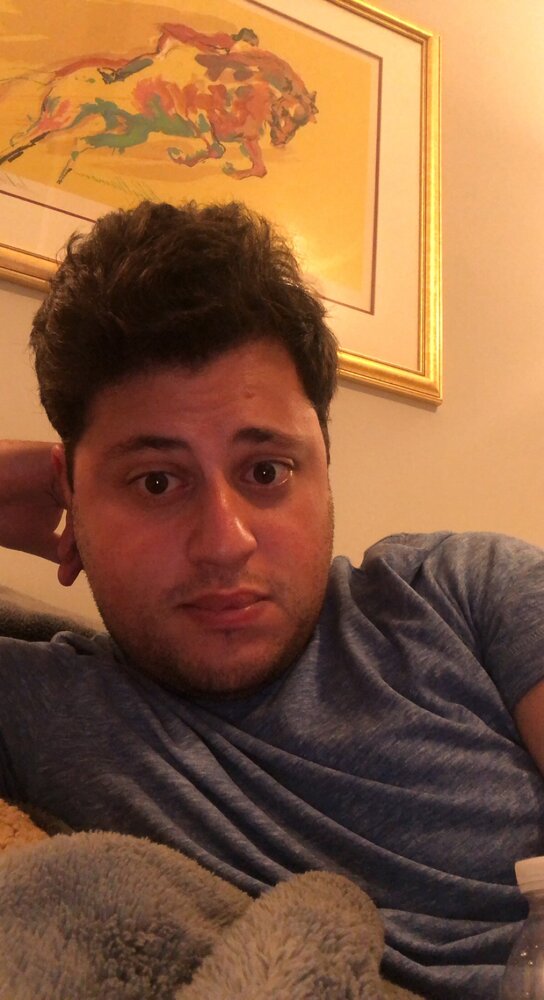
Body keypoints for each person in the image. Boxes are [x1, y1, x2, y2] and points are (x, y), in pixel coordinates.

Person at [0, 200, 543, 1000]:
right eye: (156, 482)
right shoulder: (40, 709)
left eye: (266, 471)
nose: (225, 542)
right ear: (72, 496)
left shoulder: (467, 593)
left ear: (324, 464)